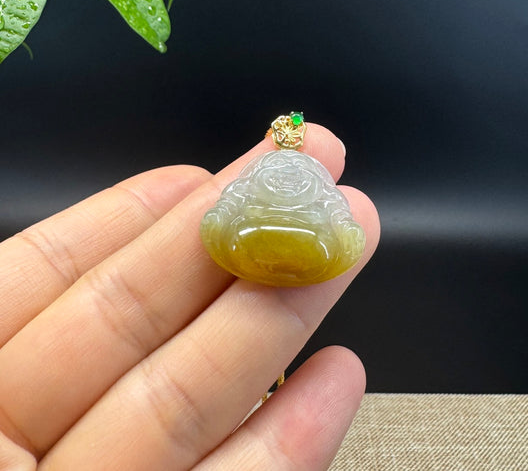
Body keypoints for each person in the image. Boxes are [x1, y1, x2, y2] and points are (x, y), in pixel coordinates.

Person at [0, 124, 379, 470]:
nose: (285, 182)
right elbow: (227, 209)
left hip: (304, 248)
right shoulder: (252, 188)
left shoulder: (314, 190)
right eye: (278, 177)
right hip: (255, 243)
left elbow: (339, 219)